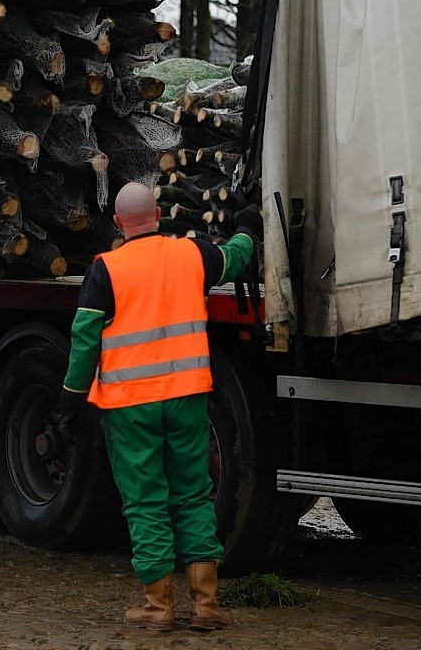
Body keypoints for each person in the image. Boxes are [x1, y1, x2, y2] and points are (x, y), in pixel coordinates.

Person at [58, 182, 260, 632]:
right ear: (159, 216)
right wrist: (247, 226)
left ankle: (158, 606)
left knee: (145, 500)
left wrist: (70, 403)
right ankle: (206, 604)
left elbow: (85, 342)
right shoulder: (192, 254)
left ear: (118, 224)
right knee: (192, 492)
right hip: (187, 397)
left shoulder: (105, 270)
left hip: (130, 407)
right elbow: (235, 258)